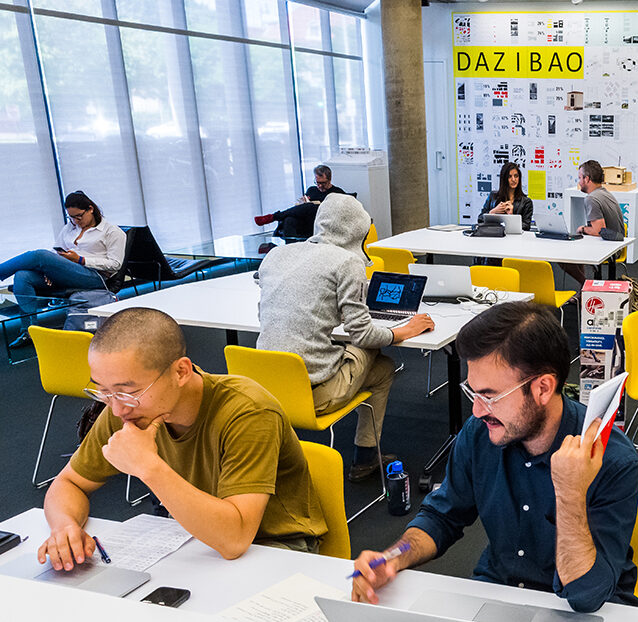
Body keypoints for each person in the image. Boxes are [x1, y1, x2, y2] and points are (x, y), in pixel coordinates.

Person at [350, 301, 638, 613]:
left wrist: (570, 493)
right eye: (473, 393)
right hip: (500, 591)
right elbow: (442, 517)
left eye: (490, 396)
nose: (477, 411)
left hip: (581, 608)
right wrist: (394, 556)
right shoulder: (481, 433)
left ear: (543, 388)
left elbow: (586, 596)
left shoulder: (613, 459)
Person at [38, 308, 328, 569]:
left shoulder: (248, 411)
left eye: (129, 391)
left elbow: (235, 540)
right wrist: (64, 526)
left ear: (181, 372)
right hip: (188, 537)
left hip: (272, 547)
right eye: (103, 391)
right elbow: (69, 483)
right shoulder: (126, 407)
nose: (116, 409)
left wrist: (148, 467)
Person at [257, 194, 434, 482]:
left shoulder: (277, 255)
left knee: (381, 369)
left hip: (265, 386)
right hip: (314, 394)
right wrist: (405, 330)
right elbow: (362, 335)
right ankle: (364, 457)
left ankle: (363, 456)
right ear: (357, 230)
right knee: (376, 355)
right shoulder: (347, 262)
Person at [0, 191, 126, 348]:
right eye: (71, 217)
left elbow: (115, 264)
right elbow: (56, 252)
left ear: (90, 209)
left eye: (79, 216)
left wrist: (81, 260)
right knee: (22, 276)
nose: (75, 221)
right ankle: (29, 331)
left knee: (39, 255)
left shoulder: (112, 232)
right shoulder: (70, 227)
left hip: (95, 277)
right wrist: (49, 271)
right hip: (67, 273)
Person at [562, 160, 624, 285]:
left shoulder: (591, 199)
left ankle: (586, 285)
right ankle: (585, 289)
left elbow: (598, 231)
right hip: (615, 244)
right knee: (575, 249)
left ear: (587, 179)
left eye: (580, 178)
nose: (579, 182)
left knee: (563, 257)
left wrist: (582, 229)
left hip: (608, 248)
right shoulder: (604, 193)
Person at [253, 165, 347, 239]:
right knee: (289, 219)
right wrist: (303, 203)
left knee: (310, 206)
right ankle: (289, 247)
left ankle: (273, 217)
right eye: (317, 182)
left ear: (329, 179)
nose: (320, 186)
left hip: (321, 220)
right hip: (306, 220)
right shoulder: (312, 190)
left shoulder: (337, 192)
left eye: (323, 183)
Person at [480, 162, 534, 231]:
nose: (513, 180)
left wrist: (511, 216)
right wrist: (492, 213)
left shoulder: (526, 202)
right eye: (509, 176)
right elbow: (480, 219)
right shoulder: (493, 196)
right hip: (494, 235)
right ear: (504, 179)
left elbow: (526, 226)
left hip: (514, 237)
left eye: (516, 176)